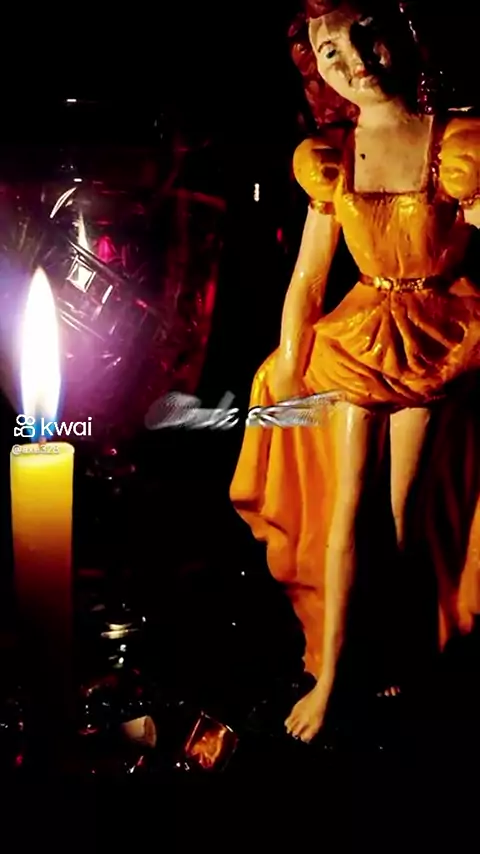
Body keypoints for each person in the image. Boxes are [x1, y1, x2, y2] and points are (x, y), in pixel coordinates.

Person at [230, 0, 480, 743]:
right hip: (362, 337)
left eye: (366, 37)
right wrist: (291, 363)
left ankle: (404, 650)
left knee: (404, 514)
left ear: (402, 32)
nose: (357, 61)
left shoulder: (454, 144)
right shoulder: (332, 157)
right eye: (331, 51)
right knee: (345, 513)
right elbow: (309, 277)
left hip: (433, 337)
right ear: (315, 70)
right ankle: (333, 671)